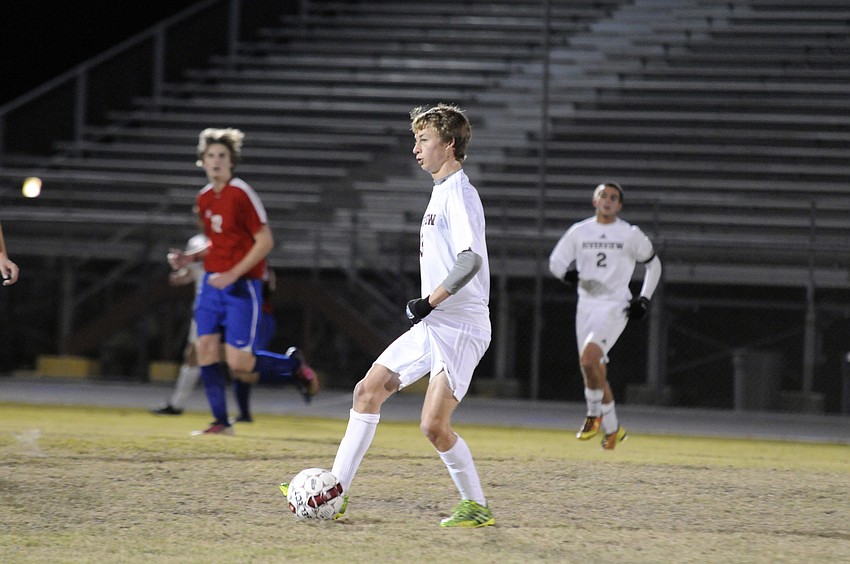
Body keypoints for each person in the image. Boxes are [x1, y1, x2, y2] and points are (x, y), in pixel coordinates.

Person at [282, 104, 494, 528]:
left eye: (424, 140)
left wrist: (429, 300)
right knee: (367, 391)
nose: (416, 148)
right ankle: (334, 493)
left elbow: (469, 261)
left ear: (449, 144)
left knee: (433, 425)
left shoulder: (460, 194)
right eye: (416, 139)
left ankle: (478, 507)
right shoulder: (440, 189)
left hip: (460, 326)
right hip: (434, 323)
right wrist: (430, 309)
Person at [168, 127, 319, 436]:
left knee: (240, 364)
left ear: (232, 161)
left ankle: (293, 366)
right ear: (202, 161)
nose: (216, 161)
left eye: (222, 156)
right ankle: (221, 422)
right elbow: (219, 244)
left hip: (241, 286)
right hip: (213, 285)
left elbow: (264, 242)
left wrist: (233, 274)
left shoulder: (241, 192)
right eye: (211, 156)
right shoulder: (205, 198)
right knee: (206, 350)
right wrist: (190, 258)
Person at [548, 182, 662, 450]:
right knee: (595, 368)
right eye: (603, 196)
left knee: (588, 360)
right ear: (594, 201)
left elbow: (654, 264)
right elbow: (556, 262)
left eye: (614, 197)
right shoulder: (580, 231)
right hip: (586, 306)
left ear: (620, 205)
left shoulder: (630, 234)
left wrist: (643, 299)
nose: (608, 200)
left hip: (615, 306)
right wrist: (568, 275)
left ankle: (593, 415)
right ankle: (614, 431)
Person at [151, 232, 209, 416]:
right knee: (194, 353)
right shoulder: (197, 241)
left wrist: (187, 258)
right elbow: (193, 272)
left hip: (228, 303)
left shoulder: (226, 236)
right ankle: (177, 404)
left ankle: (289, 366)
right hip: (205, 306)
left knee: (238, 358)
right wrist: (182, 275)